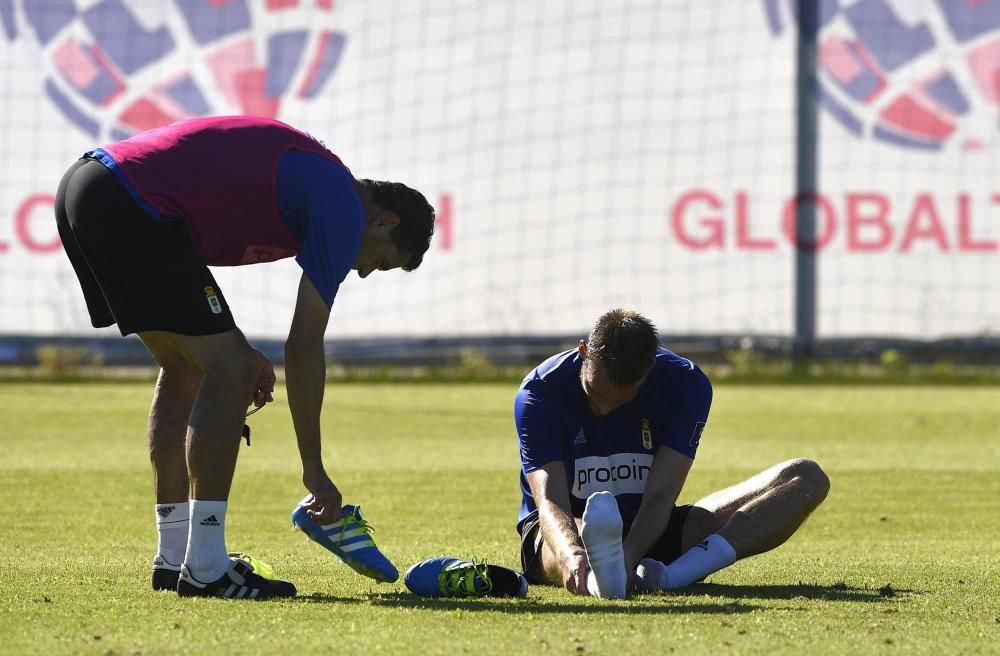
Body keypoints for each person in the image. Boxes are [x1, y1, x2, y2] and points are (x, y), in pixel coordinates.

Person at [54, 115, 435, 600]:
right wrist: (313, 468)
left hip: (87, 187)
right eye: (379, 261)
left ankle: (174, 558)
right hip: (130, 202)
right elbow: (303, 348)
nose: (363, 273)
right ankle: (208, 567)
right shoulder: (343, 206)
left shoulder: (325, 187)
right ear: (384, 221)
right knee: (230, 368)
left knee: (188, 366)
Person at [515, 309, 830, 598]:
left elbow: (660, 497)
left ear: (649, 371)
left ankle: (668, 577)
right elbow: (551, 501)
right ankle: (599, 581)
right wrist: (572, 554)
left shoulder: (686, 385)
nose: (604, 409)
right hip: (565, 532)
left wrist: (629, 553)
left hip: (651, 526)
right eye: (595, 393)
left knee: (806, 477)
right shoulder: (539, 393)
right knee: (584, 531)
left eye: (622, 402)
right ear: (583, 351)